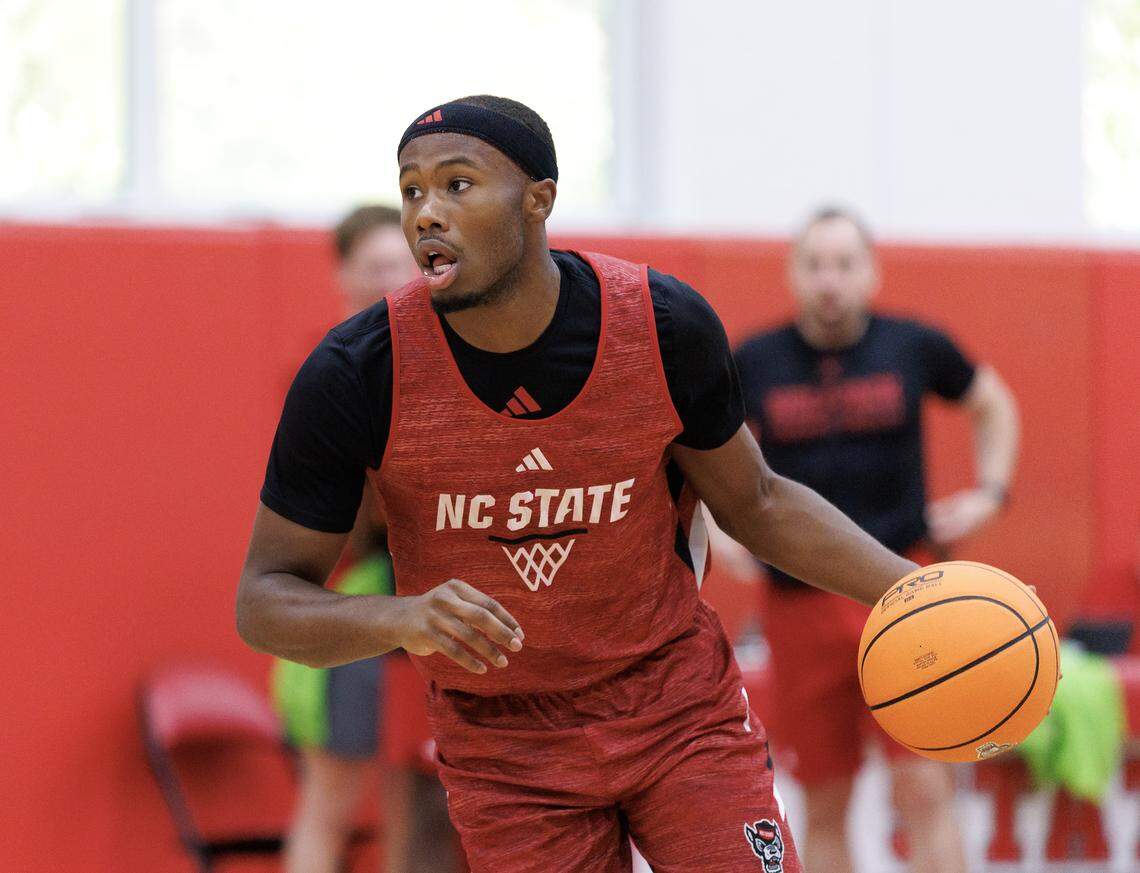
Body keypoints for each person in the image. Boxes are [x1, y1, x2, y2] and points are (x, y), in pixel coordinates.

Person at [236, 95, 930, 873]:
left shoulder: (661, 324)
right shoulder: (356, 372)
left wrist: (915, 590)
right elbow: (264, 596)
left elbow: (758, 503)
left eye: (457, 184)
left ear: (539, 199)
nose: (427, 212)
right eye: (412, 191)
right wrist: (400, 615)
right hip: (505, 743)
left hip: (673, 706)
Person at [729, 206, 1020, 873]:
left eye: (844, 263)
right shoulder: (755, 359)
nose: (829, 279)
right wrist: (721, 532)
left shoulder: (913, 344)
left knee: (923, 786)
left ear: (871, 271)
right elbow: (705, 453)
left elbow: (992, 401)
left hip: (906, 591)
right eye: (815, 263)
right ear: (793, 273)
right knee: (825, 798)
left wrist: (990, 493)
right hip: (799, 602)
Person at [269, 205, 459, 873]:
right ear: (343, 276)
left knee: (423, 805)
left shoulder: (442, 358)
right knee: (331, 802)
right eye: (374, 267)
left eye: (398, 265)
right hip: (351, 606)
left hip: (419, 612)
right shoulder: (331, 375)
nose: (388, 279)